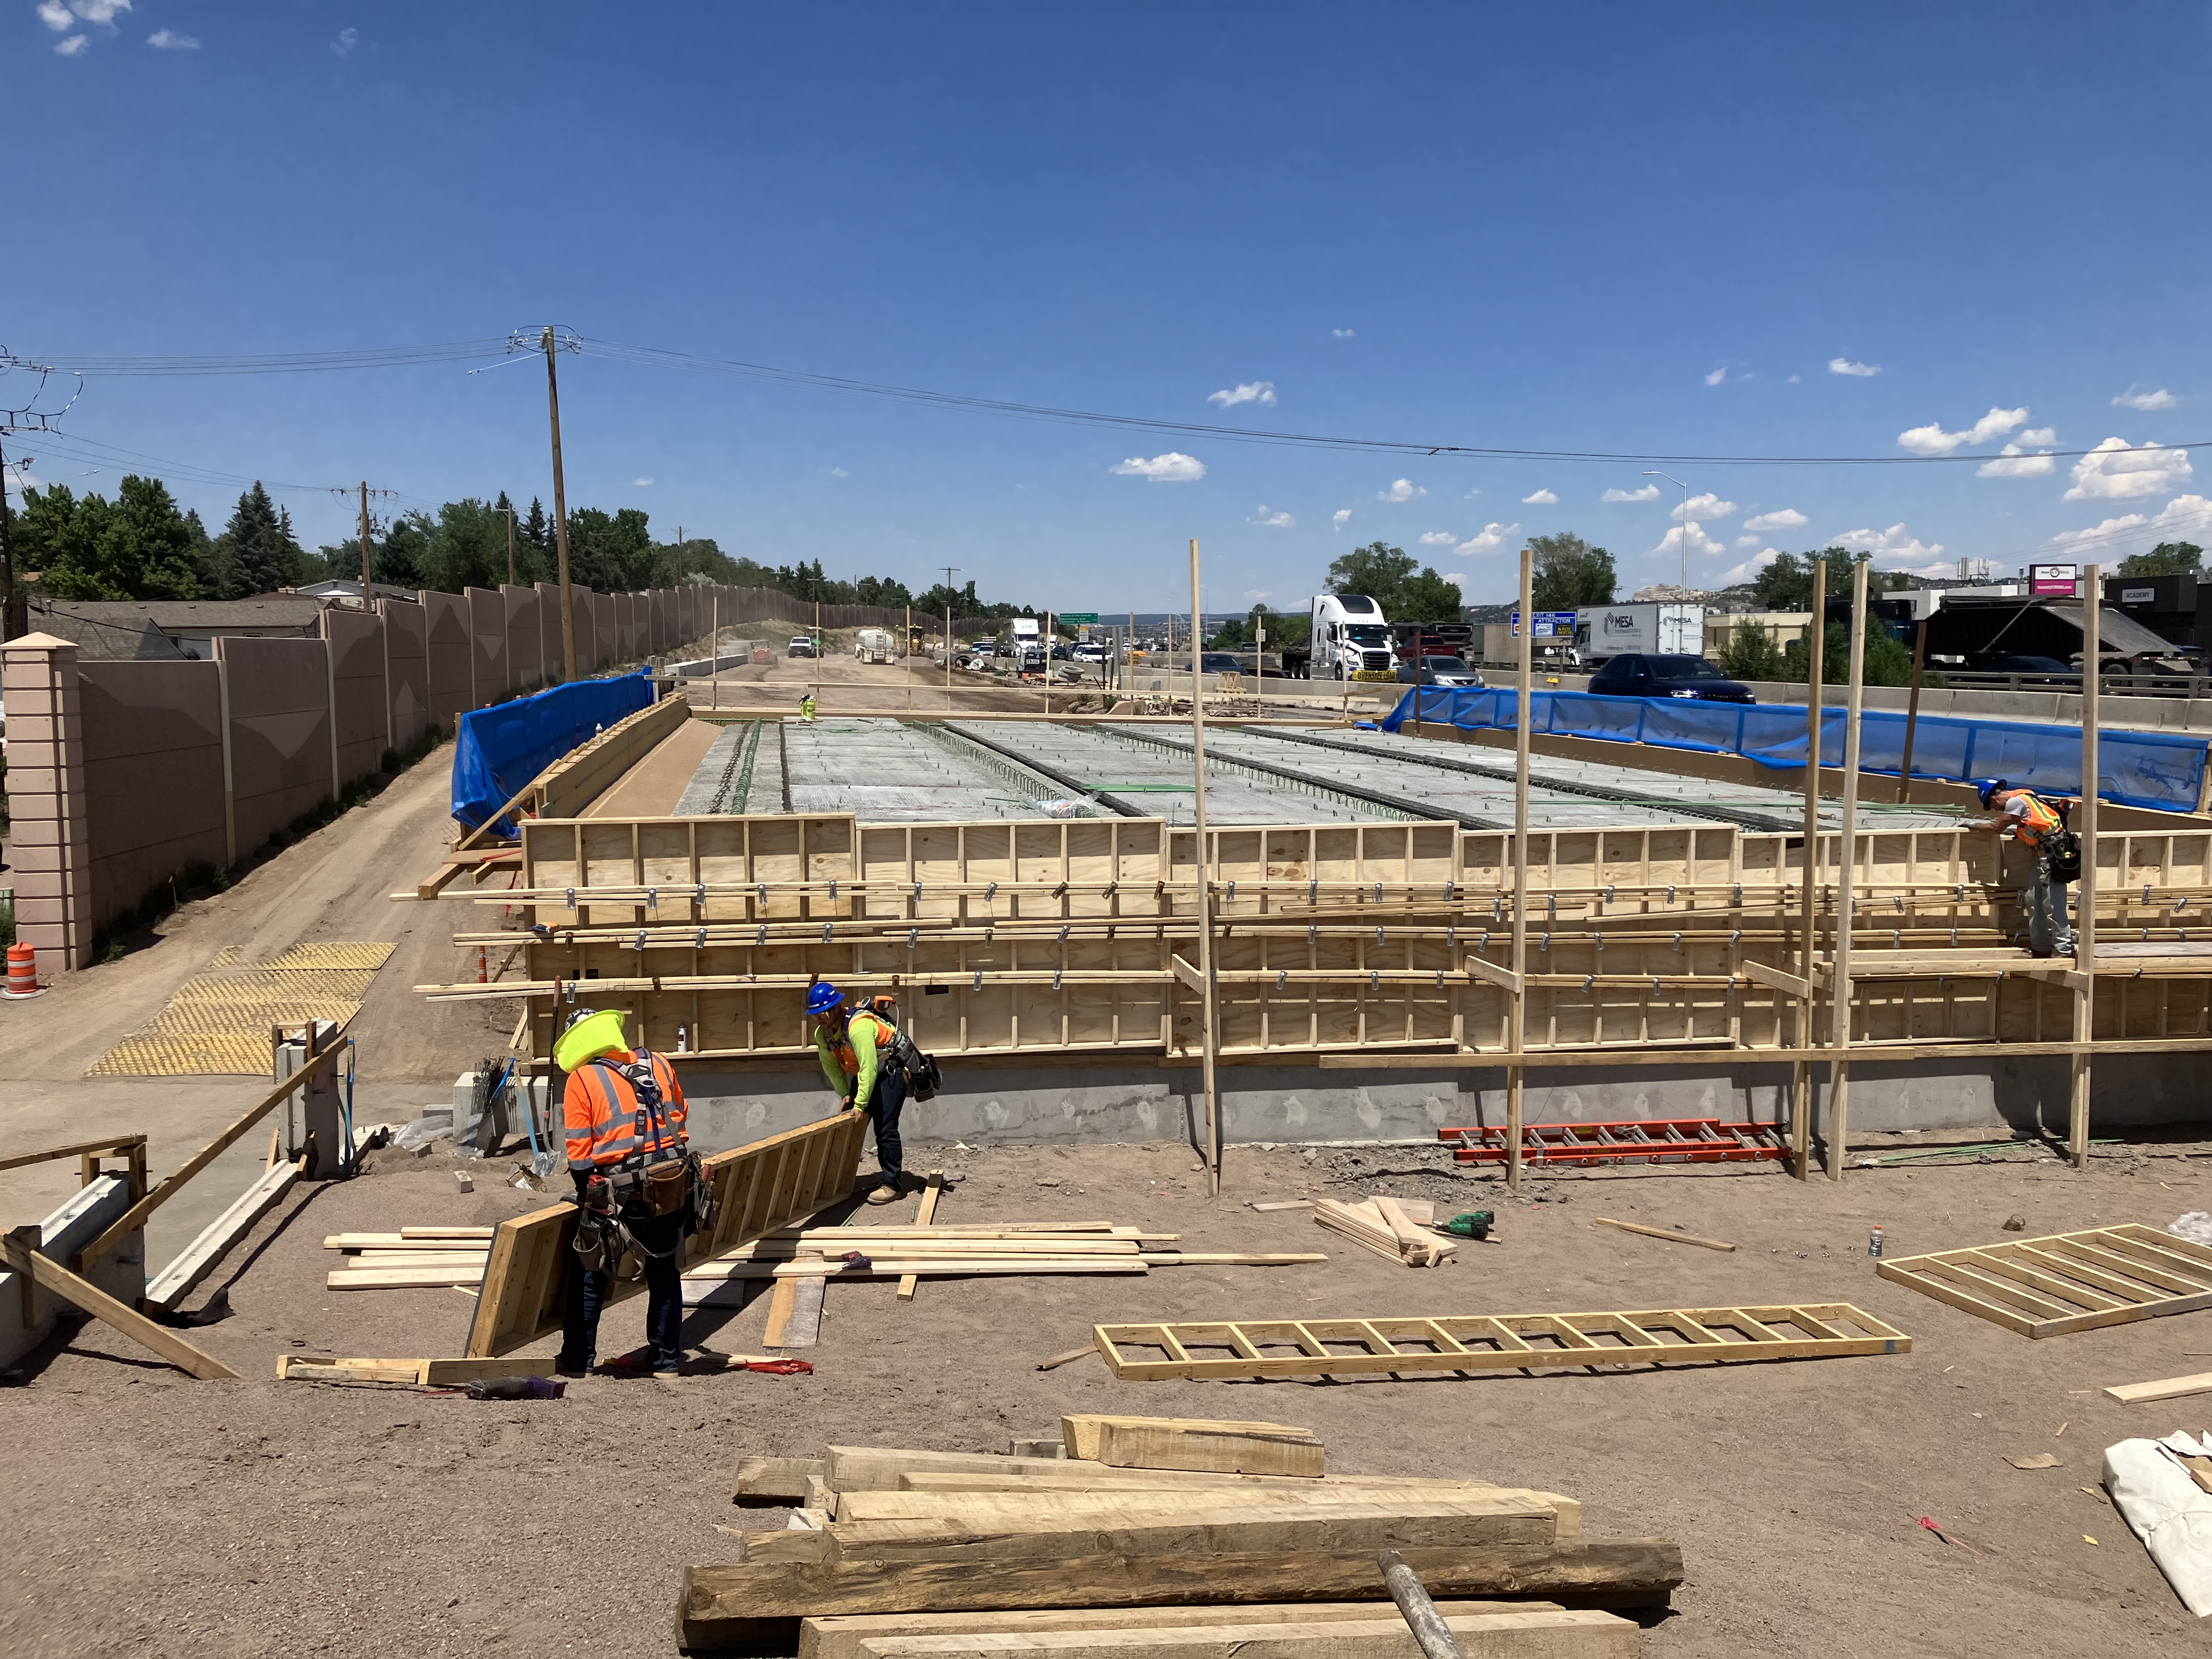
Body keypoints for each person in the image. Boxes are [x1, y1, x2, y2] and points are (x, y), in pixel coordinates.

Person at [553, 1006, 693, 1376]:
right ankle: (666, 1361)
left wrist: (589, 1197)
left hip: (623, 1191)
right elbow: (681, 1113)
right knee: (664, 1271)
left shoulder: (583, 1079)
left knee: (591, 1269)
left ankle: (577, 1361)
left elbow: (580, 1154)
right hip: (672, 1181)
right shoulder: (658, 1062)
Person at [810, 980, 906, 1204]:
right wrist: (846, 1094)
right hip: (865, 1075)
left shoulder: (858, 1026)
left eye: (822, 1013)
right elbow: (831, 1066)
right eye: (815, 1015)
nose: (819, 1019)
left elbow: (869, 1067)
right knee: (849, 1124)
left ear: (836, 1008)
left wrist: (860, 1105)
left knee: (885, 1130)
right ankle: (841, 1182)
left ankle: (892, 1185)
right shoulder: (822, 1034)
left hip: (889, 1074)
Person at [1971, 777, 2076, 958]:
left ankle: (2064, 951)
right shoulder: (2027, 796)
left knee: (2053, 905)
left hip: (2053, 860)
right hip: (2043, 858)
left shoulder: (2015, 802)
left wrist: (1975, 826)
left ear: (1993, 799)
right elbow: (2033, 824)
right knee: (2034, 902)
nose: (1996, 809)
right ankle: (2040, 948)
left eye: (1992, 806)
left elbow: (1996, 828)